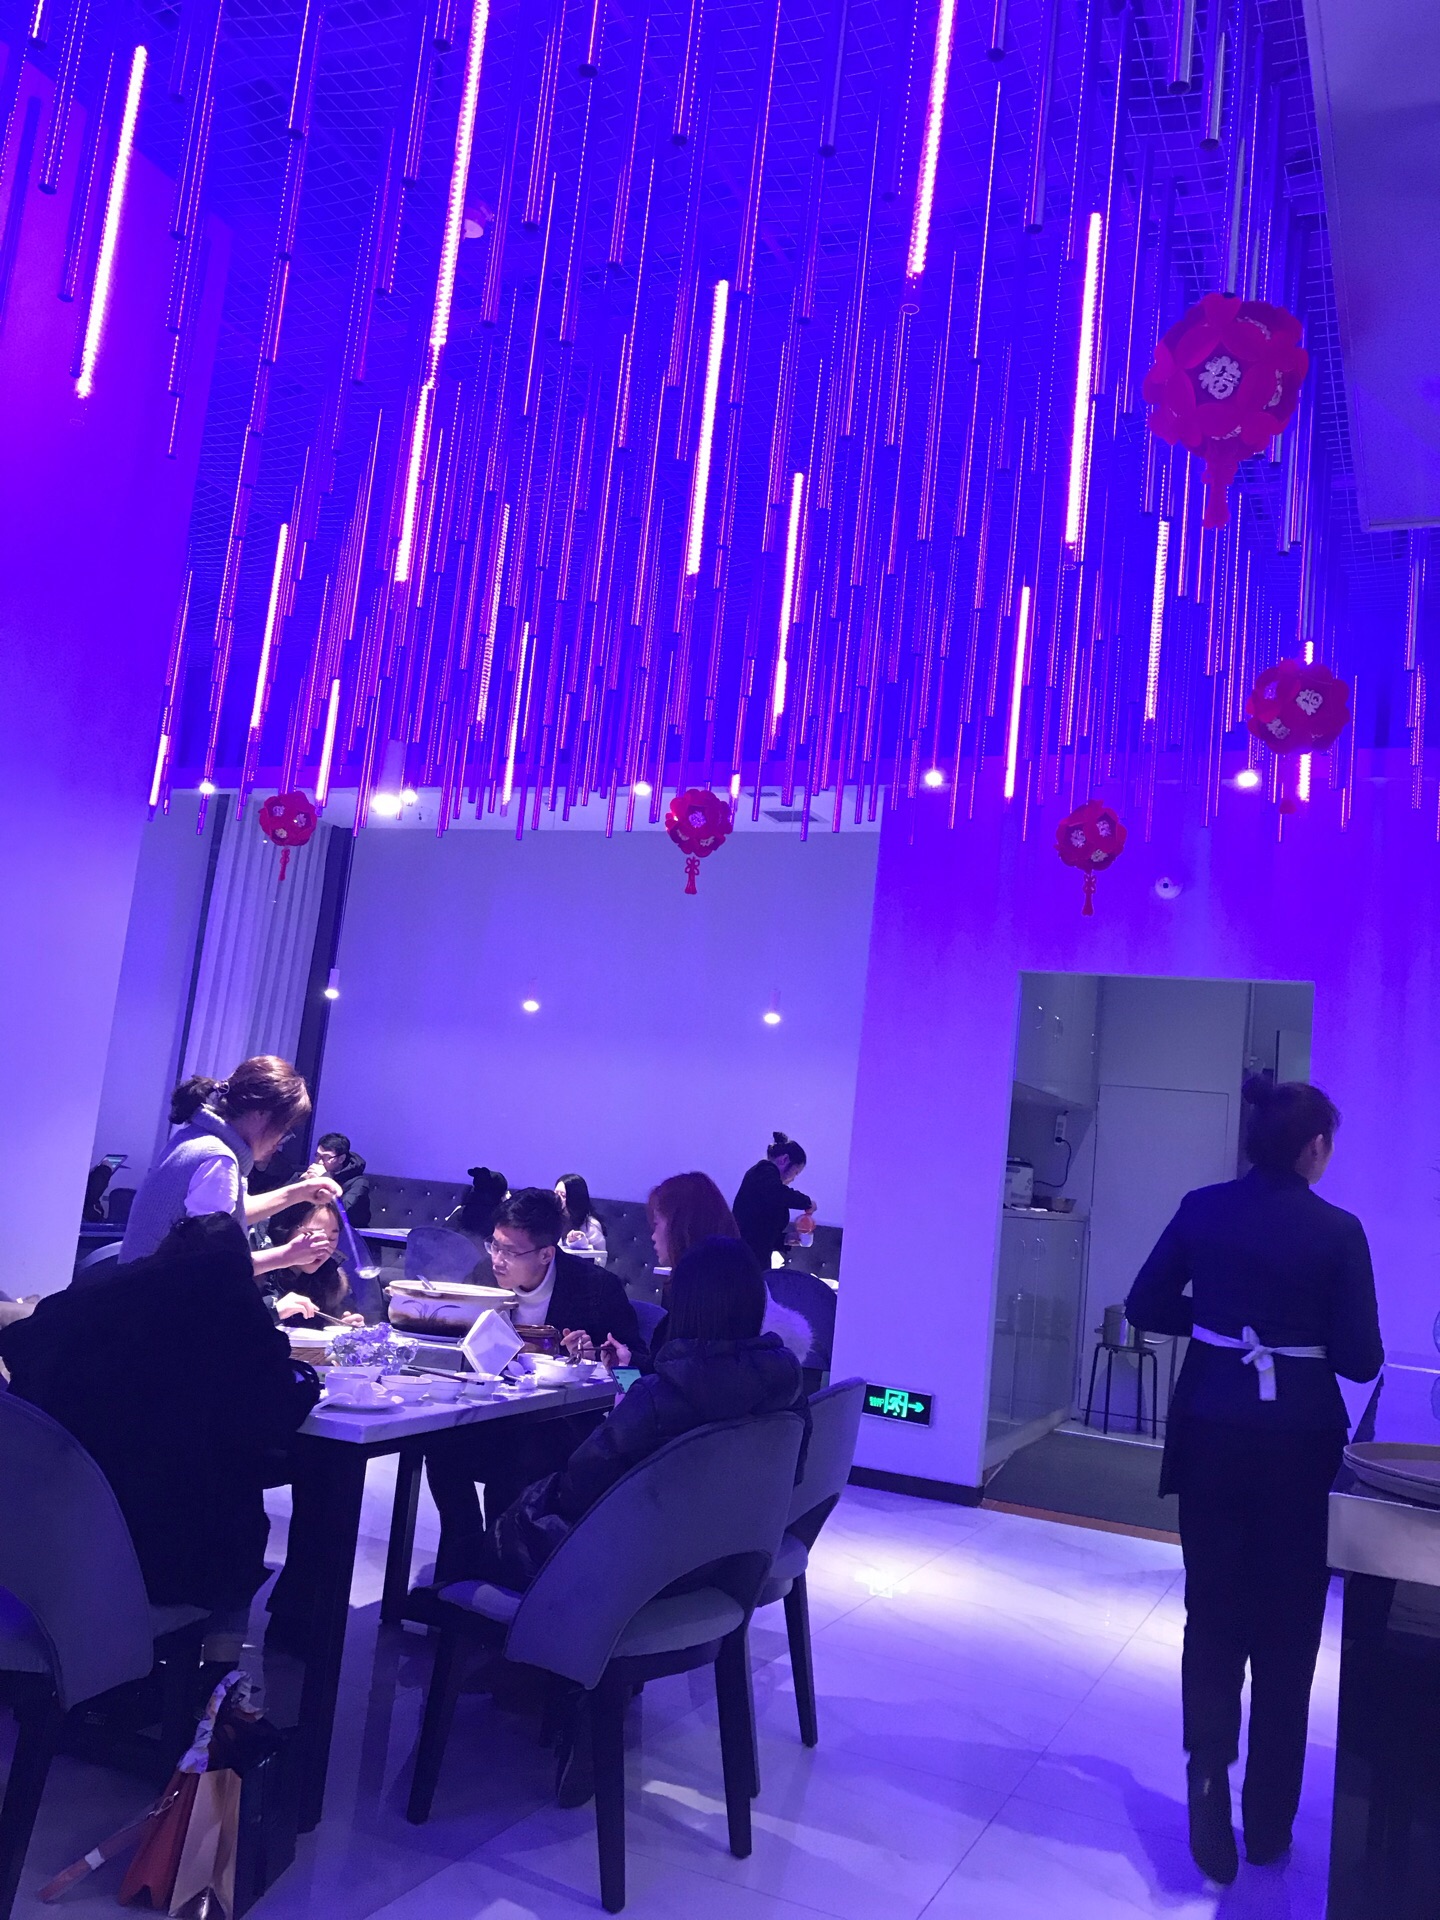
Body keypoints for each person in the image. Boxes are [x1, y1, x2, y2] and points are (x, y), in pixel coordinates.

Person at [1125, 1080, 1383, 1885]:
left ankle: (1206, 1782)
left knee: (1212, 1613)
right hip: (1298, 1448)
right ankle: (1268, 1820)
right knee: (1290, 1627)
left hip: (1209, 1431)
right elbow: (1361, 1361)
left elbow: (1143, 1304)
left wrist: (1220, 1326)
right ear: (1314, 1148)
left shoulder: (1202, 1208)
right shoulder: (1338, 1230)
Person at [0, 1213, 320, 1644]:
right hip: (167, 1553)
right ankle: (222, 1671)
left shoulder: (99, 1293)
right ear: (239, 1265)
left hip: (44, 1536)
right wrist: (304, 1382)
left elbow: (18, 1343)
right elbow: (269, 1418)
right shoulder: (231, 1308)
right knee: (238, 1496)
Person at [481, 1236, 810, 1591]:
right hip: (727, 1560)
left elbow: (580, 1487)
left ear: (685, 1308)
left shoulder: (658, 1398)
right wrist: (627, 1373)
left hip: (633, 1572)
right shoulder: (786, 1386)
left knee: (491, 1529)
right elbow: (794, 1474)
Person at [422, 1188, 643, 1582]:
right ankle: (463, 1558)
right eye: (494, 1245)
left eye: (510, 1251)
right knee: (440, 1448)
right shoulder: (483, 1279)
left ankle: (501, 1571)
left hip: (561, 1428)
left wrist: (601, 1359)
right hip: (491, 1415)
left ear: (546, 1253)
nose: (497, 1259)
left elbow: (635, 1374)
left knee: (516, 1463)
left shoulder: (594, 1289)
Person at [120, 1059, 340, 1274]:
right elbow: (215, 1267)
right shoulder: (218, 1160)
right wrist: (288, 1256)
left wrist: (301, 1192)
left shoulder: (196, 1138)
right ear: (261, 1113)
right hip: (157, 1293)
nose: (279, 1142)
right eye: (283, 1129)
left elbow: (233, 1213)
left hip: (134, 1286)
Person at [638, 1171, 811, 1370]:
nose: (653, 1236)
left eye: (656, 1224)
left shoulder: (701, 1293)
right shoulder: (743, 1279)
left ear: (680, 1226)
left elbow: (676, 1377)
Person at [262, 1201, 366, 1324]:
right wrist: (274, 1311)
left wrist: (344, 1326)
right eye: (313, 1236)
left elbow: (338, 1320)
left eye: (332, 1238)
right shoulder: (256, 1271)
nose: (324, 1247)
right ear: (285, 1230)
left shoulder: (332, 1278)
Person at [733, 1131, 816, 1269]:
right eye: (795, 1172)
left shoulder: (764, 1183)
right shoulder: (763, 1171)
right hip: (745, 1259)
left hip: (752, 1257)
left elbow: (759, 1232)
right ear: (784, 1160)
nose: (793, 1179)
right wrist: (806, 1202)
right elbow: (778, 1193)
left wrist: (784, 1239)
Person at [316, 1132, 371, 1227]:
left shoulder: (359, 1182)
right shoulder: (314, 1174)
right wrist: (302, 1181)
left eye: (326, 1157)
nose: (320, 1162)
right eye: (317, 1155)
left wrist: (325, 1179)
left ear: (341, 1159)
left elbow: (342, 1211)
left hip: (350, 1231)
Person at [556, 1172, 607, 1260]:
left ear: (575, 1199)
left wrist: (581, 1244)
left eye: (563, 1195)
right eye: (556, 1193)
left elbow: (600, 1261)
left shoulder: (591, 1226)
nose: (557, 1198)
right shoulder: (552, 1219)